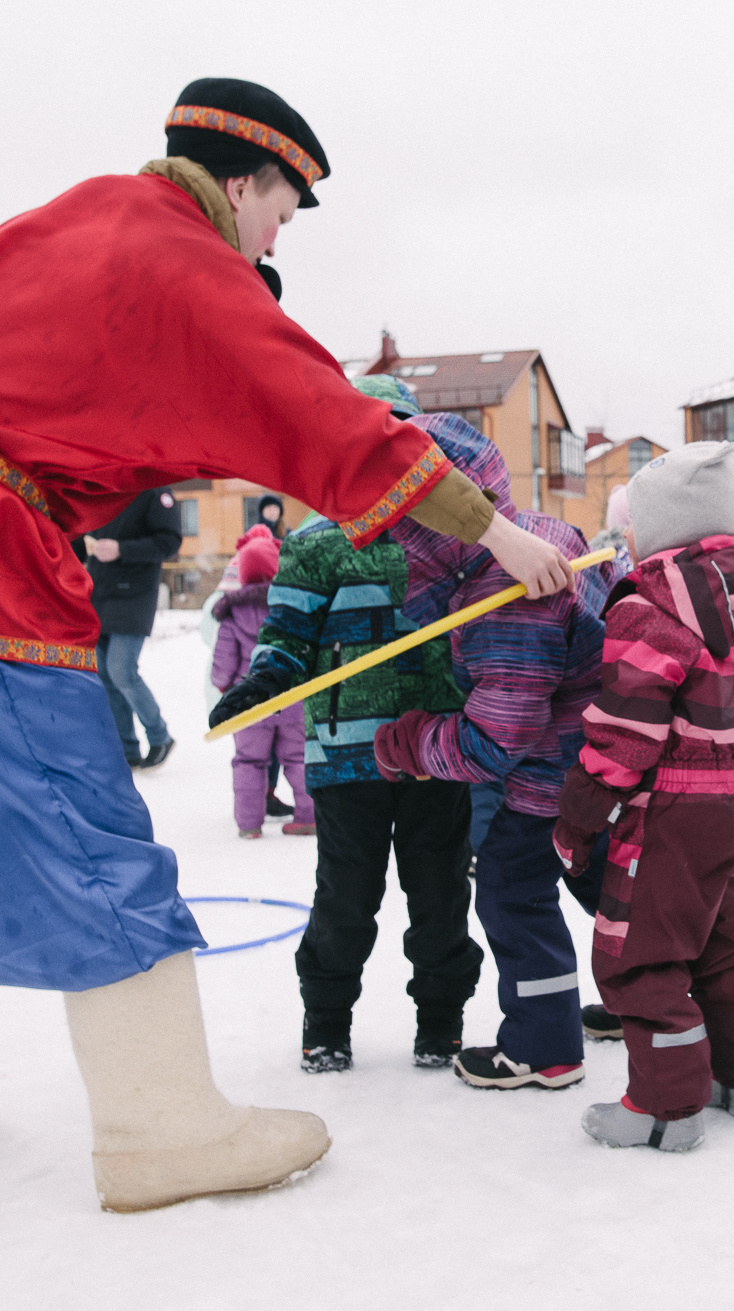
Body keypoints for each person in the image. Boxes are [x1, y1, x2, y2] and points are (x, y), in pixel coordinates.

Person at [0, 77, 577, 1212]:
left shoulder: (74, 219)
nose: (272, 240)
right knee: (74, 820)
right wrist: (491, 528)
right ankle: (160, 1127)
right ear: (241, 182)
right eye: (282, 214)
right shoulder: (179, 254)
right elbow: (324, 415)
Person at [208, 387, 484, 1073]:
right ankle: (326, 1021)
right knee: (346, 900)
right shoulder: (316, 542)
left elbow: (484, 627)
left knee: (442, 897)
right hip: (345, 758)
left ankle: (440, 1020)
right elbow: (286, 635)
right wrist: (265, 681)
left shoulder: (449, 534)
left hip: (436, 753)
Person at [359, 412, 615, 1091]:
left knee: (512, 889)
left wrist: (410, 742)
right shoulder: (540, 535)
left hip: (549, 778)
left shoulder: (504, 600)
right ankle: (650, 991)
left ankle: (544, 1045)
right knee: (607, 882)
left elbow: (496, 740)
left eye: (396, 532)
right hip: (596, 765)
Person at [549, 441, 734, 1151]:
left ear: (661, 527)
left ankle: (664, 1106)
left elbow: (627, 729)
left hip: (676, 808)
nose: (624, 540)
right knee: (718, 942)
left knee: (641, 956)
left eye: (633, 526)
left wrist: (581, 811)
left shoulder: (648, 605)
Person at [209, 526, 312, 838]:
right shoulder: (291, 607)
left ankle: (249, 824)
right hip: (291, 698)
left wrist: (223, 685)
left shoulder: (232, 612)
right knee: (298, 758)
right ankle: (309, 816)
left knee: (249, 762)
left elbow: (223, 662)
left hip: (249, 702)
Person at [78, 486, 183, 767]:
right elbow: (81, 538)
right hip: (100, 593)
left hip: (134, 595)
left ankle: (160, 736)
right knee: (104, 674)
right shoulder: (105, 488)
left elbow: (169, 541)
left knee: (121, 670)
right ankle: (126, 749)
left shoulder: (155, 492)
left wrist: (122, 550)